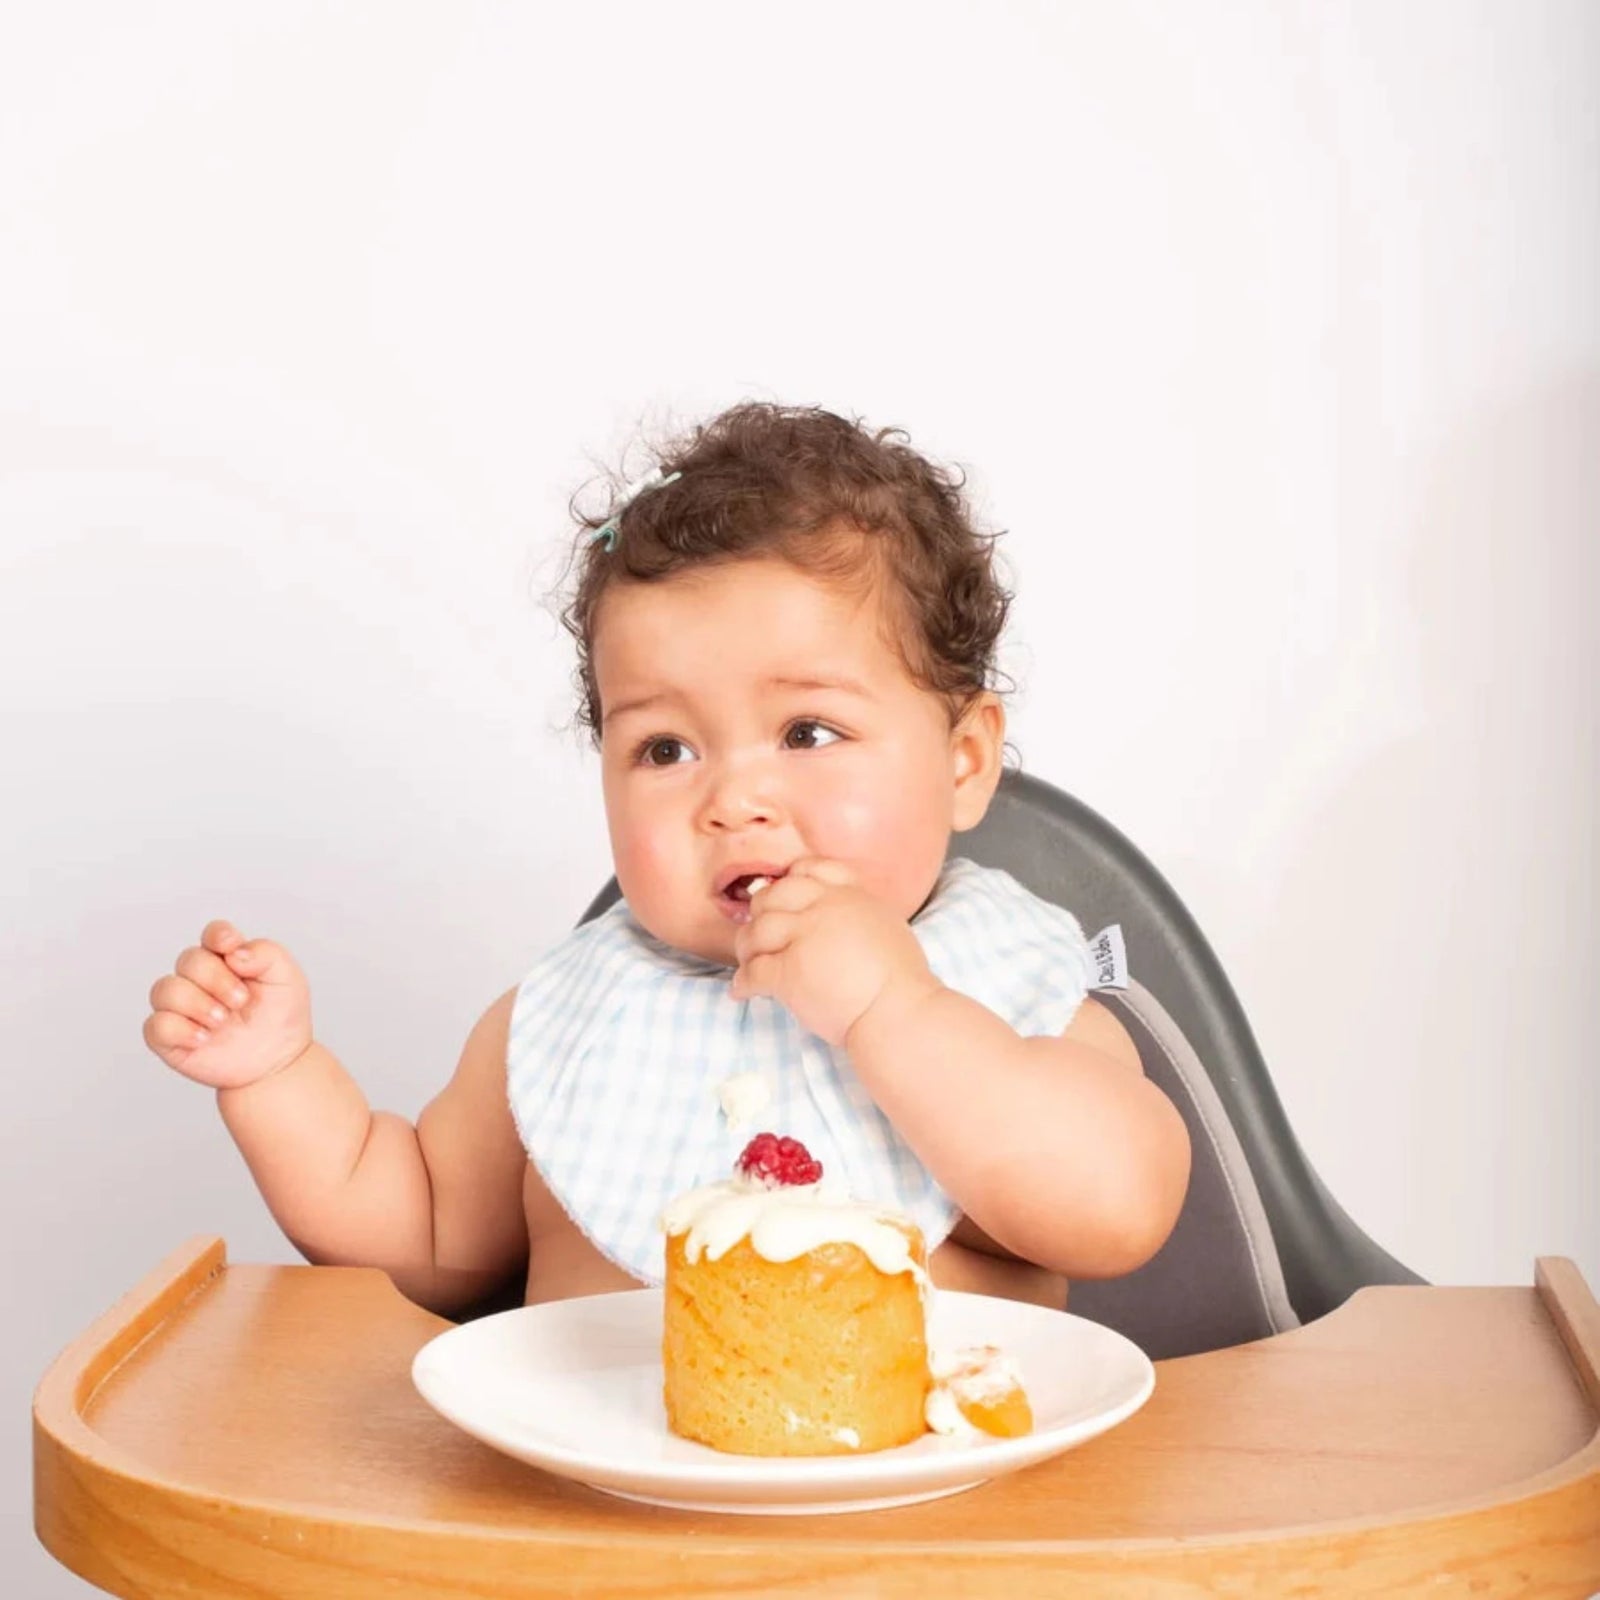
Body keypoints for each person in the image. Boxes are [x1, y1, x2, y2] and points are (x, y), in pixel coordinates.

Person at [141, 403, 1191, 1316]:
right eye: (665, 749)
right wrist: (275, 1078)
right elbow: (423, 1236)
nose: (732, 800)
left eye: (808, 732)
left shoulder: (1011, 990)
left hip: (937, 1481)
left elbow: (1117, 1212)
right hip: (592, 1490)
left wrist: (894, 1009)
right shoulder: (565, 1018)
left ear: (964, 761)